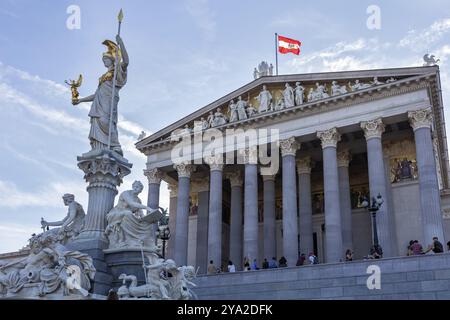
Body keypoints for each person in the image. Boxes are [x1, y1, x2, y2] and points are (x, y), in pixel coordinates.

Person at [73, 35, 129, 155]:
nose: (104, 62)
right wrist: (81, 100)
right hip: (98, 104)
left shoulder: (116, 72)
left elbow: (126, 62)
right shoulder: (104, 76)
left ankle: (115, 145)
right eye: (103, 60)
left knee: (106, 122)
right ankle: (99, 148)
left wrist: (121, 43)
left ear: (112, 59)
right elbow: (96, 94)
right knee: (99, 122)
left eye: (106, 60)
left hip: (109, 101)